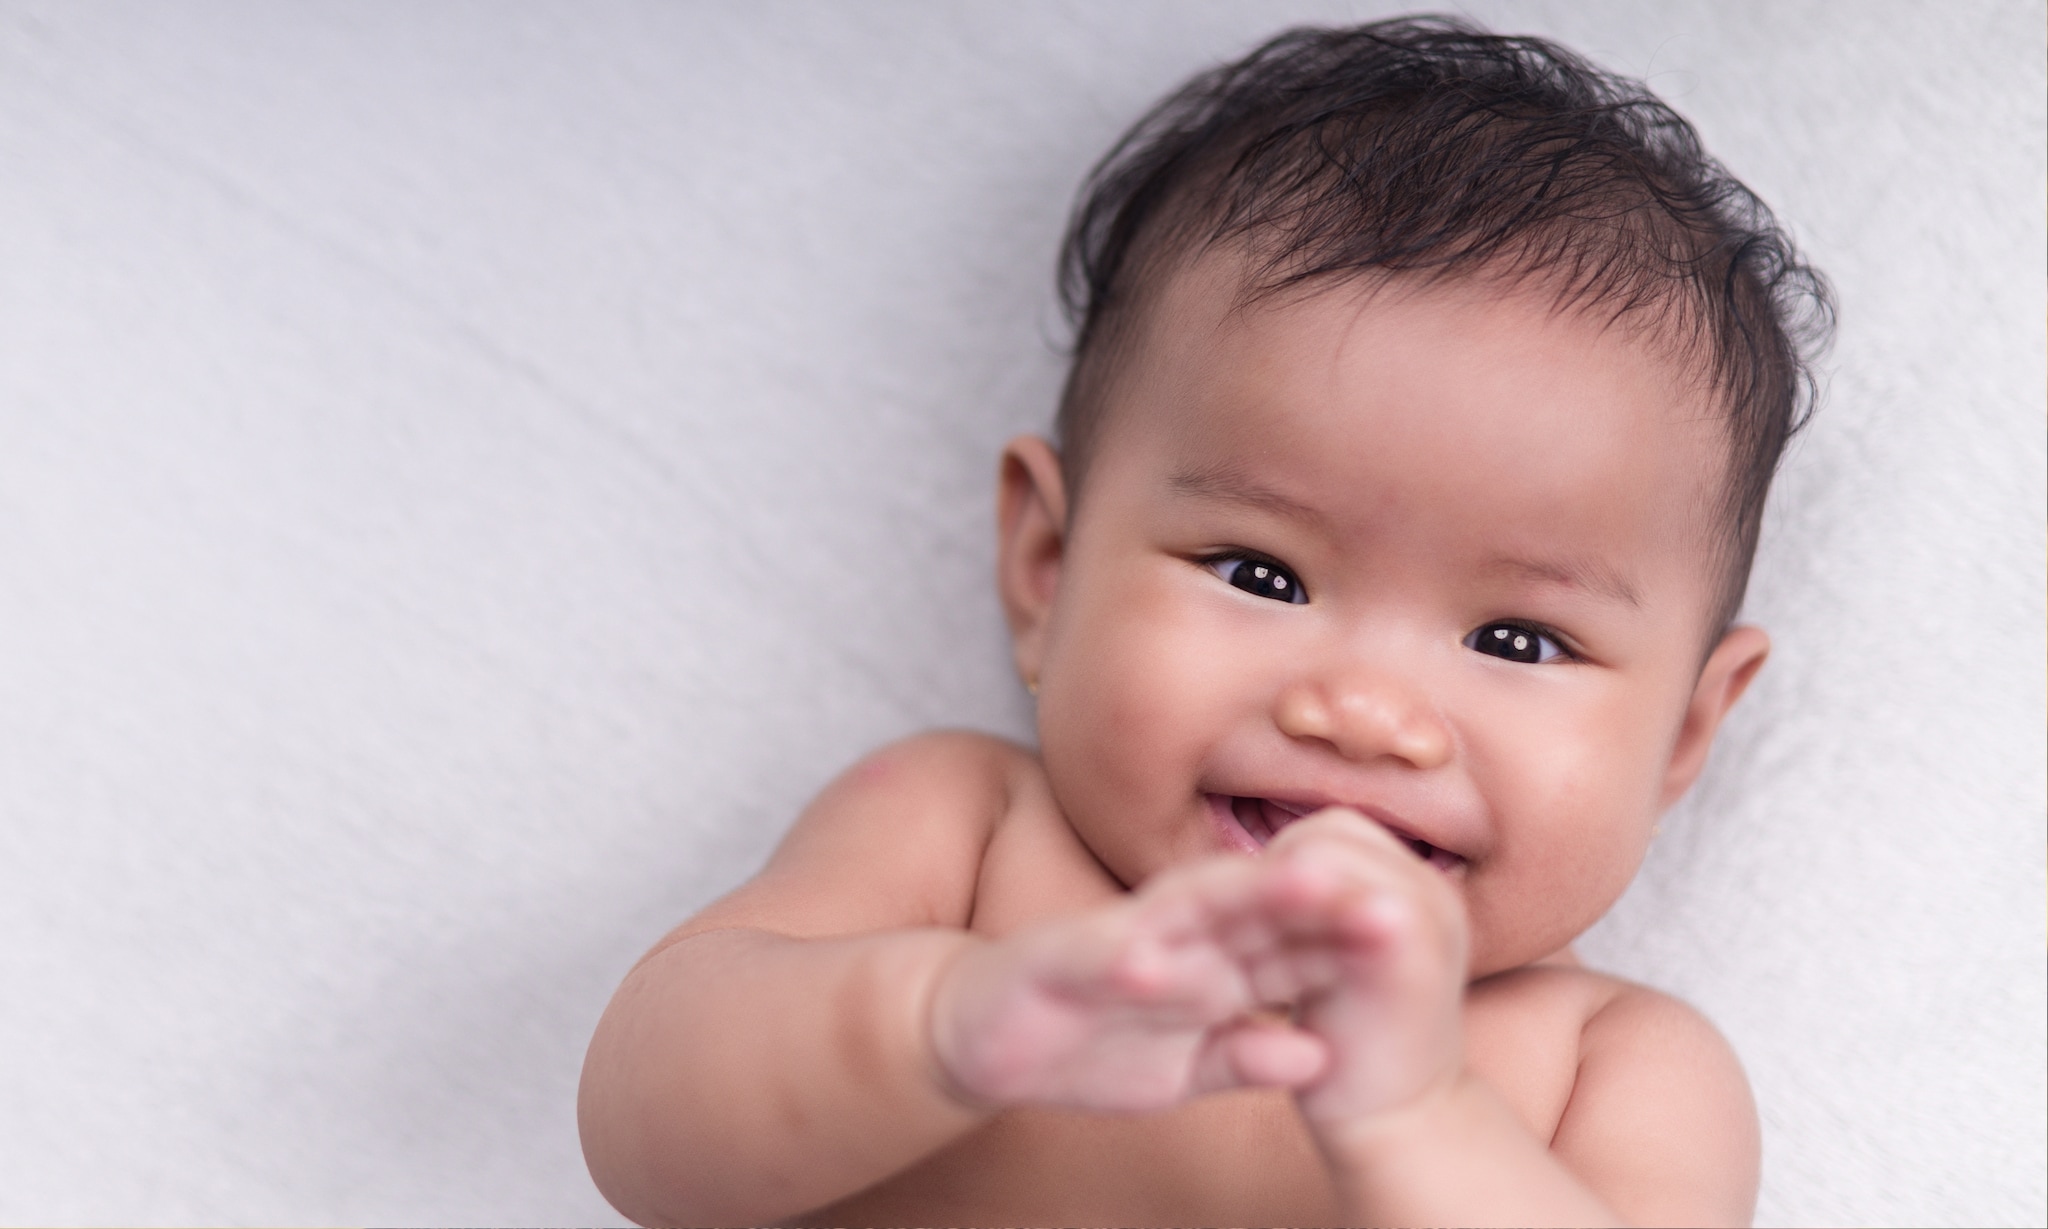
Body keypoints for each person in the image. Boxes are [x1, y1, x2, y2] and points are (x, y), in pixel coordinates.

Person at [578, 17, 1832, 1227]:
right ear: (1047, 567)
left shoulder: (1609, 1065)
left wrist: (1414, 1115)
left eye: (1515, 640)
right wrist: (947, 1022)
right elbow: (643, 1130)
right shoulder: (963, 834)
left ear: (1683, 730)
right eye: (1259, 573)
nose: (1364, 714)